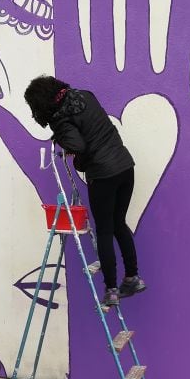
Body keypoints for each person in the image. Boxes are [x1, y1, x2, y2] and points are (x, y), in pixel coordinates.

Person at [24, 75, 146, 307]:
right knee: (119, 223)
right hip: (124, 167)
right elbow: (93, 133)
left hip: (103, 175)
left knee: (104, 230)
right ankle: (133, 277)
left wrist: (63, 141)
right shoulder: (85, 96)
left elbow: (78, 146)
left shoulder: (61, 120)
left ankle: (111, 289)